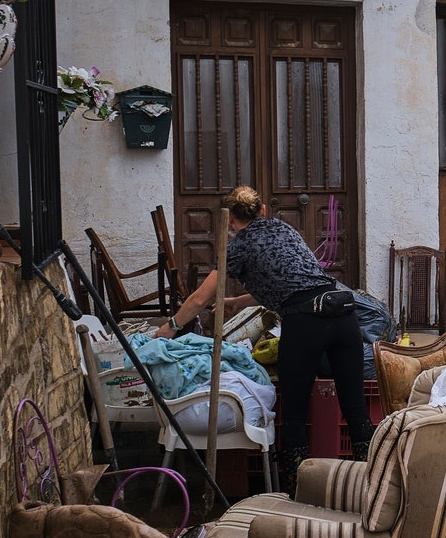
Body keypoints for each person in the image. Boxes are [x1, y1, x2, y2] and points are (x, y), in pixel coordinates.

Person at [154, 186, 372, 492]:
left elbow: (202, 298)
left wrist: (171, 326)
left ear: (229, 222)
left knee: (294, 411)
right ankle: (373, 482)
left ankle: (298, 489)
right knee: (355, 407)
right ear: (263, 211)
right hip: (343, 314)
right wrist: (237, 302)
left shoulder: (238, 246)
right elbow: (290, 280)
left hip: (306, 321)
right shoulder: (284, 229)